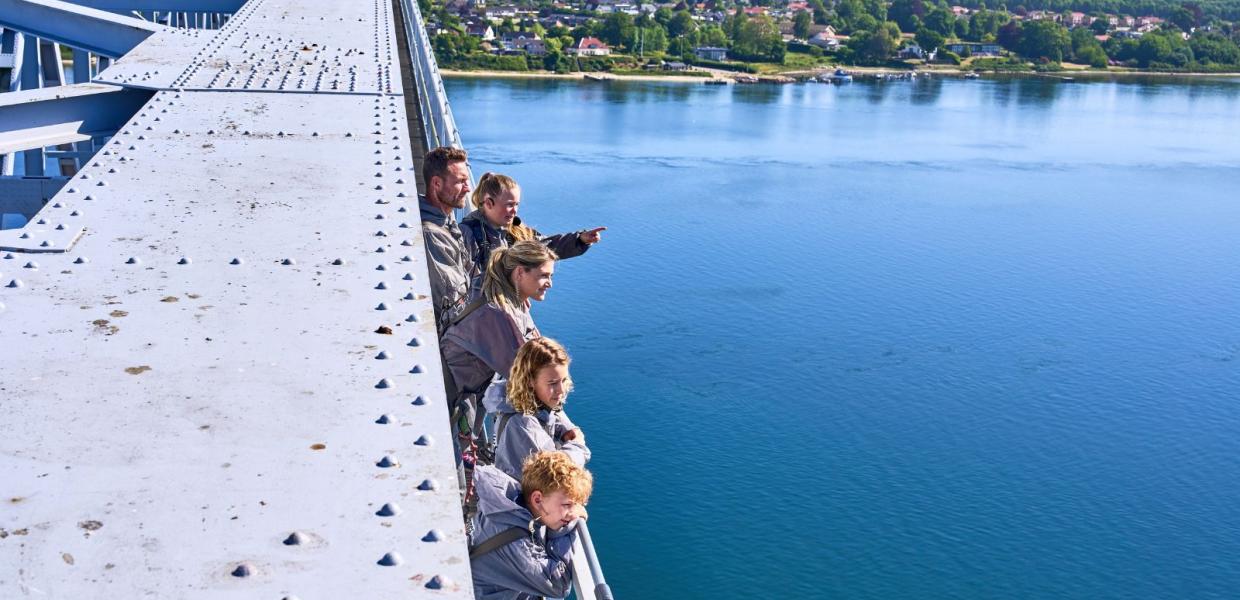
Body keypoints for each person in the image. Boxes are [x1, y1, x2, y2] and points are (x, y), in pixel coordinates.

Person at [441, 241, 557, 452]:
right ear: (520, 272)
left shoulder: (498, 292)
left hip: (452, 388)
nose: (550, 283)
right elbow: (529, 375)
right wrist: (558, 425)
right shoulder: (499, 314)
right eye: (544, 275)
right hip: (447, 399)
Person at [470, 451, 592, 600]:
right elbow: (558, 585)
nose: (573, 513)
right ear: (537, 499)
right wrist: (563, 530)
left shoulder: (510, 504)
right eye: (567, 505)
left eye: (578, 505)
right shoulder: (516, 542)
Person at [460, 172, 605, 292]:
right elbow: (467, 278)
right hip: (484, 311)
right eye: (509, 205)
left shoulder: (515, 229)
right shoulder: (469, 233)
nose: (515, 210)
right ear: (489, 203)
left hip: (507, 302)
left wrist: (580, 239)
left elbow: (544, 248)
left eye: (516, 204)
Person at [489, 337, 590, 481]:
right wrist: (577, 445)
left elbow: (553, 415)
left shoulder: (536, 404)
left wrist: (565, 430)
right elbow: (556, 475)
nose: (561, 390)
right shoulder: (523, 424)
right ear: (530, 382)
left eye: (564, 380)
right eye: (553, 383)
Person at [419, 146, 474, 330]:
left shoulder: (446, 217)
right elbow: (455, 304)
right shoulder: (431, 235)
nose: (468, 188)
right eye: (461, 181)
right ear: (436, 184)